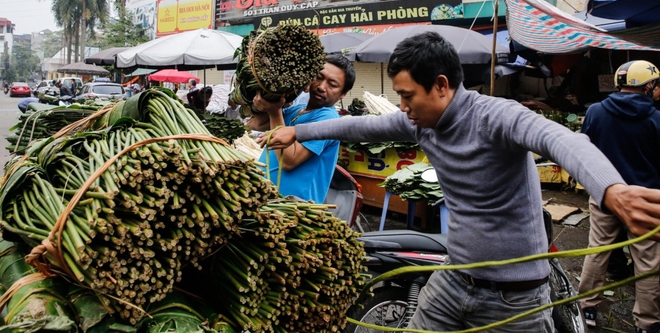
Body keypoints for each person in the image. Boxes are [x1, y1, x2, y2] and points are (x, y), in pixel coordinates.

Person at [261, 32, 660, 332]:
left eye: (407, 95)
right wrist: (298, 133)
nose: (402, 107)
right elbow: (360, 125)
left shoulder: (498, 116)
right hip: (454, 277)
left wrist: (611, 188)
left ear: (440, 85)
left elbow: (562, 140)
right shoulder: (420, 121)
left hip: (516, 298)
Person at [577, 60, 660, 333]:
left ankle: (586, 308)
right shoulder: (656, 119)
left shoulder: (595, 112)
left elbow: (586, 149)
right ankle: (647, 324)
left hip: (604, 193)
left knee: (598, 250)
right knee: (648, 261)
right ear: (648, 86)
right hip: (645, 200)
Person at [252, 54, 355, 203]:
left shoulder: (328, 118)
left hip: (293, 209)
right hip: (267, 201)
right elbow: (255, 123)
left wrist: (275, 111)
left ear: (342, 94)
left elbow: (288, 161)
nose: (321, 87)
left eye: (332, 85)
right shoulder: (296, 109)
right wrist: (275, 95)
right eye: (319, 77)